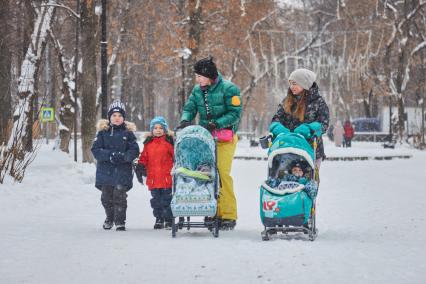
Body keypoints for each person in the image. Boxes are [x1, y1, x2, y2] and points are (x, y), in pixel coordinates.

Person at [176, 57, 242, 230]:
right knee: (208, 174)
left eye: (199, 76)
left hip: (224, 138)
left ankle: (228, 214)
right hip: (206, 139)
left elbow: (235, 113)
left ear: (209, 75)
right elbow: (189, 108)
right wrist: (185, 120)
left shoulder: (230, 89)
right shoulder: (198, 91)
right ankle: (212, 211)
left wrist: (217, 123)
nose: (197, 80)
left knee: (222, 173)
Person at [91, 101, 140, 231]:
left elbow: (134, 150)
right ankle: (110, 217)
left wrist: (124, 157)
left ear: (123, 117)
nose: (117, 118)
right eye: (114, 115)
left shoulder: (128, 133)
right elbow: (95, 150)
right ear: (109, 117)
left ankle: (119, 221)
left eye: (119, 115)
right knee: (106, 198)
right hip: (105, 172)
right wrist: (109, 155)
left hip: (122, 171)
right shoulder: (102, 133)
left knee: (120, 197)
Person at [269, 68, 329, 169]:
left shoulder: (318, 102)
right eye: (290, 83)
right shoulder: (287, 101)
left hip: (311, 148)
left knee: (308, 179)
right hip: (287, 148)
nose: (291, 87)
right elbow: (277, 118)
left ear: (305, 84)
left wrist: (310, 128)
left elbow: (324, 123)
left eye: (295, 83)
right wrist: (277, 127)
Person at [135, 116, 174, 229]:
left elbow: (175, 157)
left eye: (161, 128)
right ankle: (159, 219)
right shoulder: (148, 144)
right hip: (153, 178)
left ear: (165, 130)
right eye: (155, 128)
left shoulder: (168, 143)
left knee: (167, 200)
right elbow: (143, 157)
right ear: (152, 130)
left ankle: (168, 219)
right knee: (156, 201)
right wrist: (141, 166)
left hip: (166, 178)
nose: (158, 130)